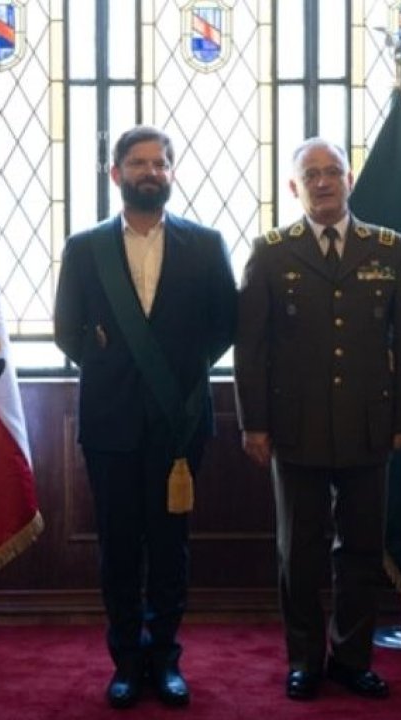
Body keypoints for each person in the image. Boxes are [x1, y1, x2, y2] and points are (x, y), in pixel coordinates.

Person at [232, 137, 401, 701]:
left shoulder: (389, 248)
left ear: (349, 180)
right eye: (311, 174)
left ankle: (351, 658)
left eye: (333, 172)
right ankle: (304, 660)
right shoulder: (271, 252)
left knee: (362, 550)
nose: (323, 182)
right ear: (294, 187)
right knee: (299, 553)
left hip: (370, 425)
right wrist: (253, 424)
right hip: (295, 427)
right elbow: (252, 347)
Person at [53, 126, 237, 709]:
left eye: (160, 163)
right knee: (119, 546)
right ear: (116, 174)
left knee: (169, 545)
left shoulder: (206, 244)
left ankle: (165, 658)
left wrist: (175, 370)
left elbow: (224, 325)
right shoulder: (85, 248)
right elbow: (67, 330)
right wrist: (115, 366)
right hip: (109, 421)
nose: (150, 172)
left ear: (171, 173)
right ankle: (127, 662)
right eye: (138, 163)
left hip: (180, 420)